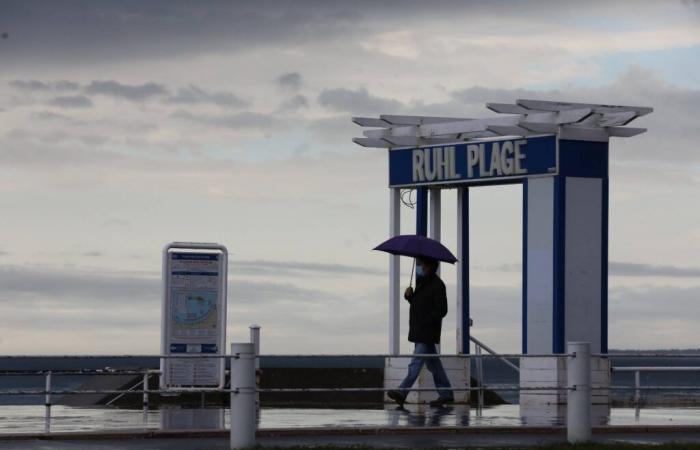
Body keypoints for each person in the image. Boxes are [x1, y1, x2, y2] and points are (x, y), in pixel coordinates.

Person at [388, 257, 454, 408]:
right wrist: (409, 296)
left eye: (421, 264)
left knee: (416, 363)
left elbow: (442, 310)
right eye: (418, 264)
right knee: (434, 365)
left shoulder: (438, 285)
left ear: (430, 266)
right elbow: (419, 305)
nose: (419, 267)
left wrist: (426, 320)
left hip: (426, 332)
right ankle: (446, 394)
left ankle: (402, 392)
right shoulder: (422, 283)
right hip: (420, 331)